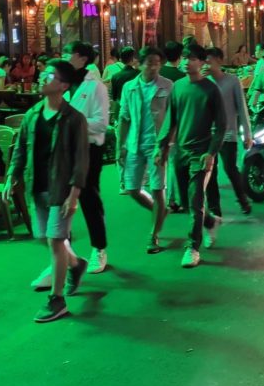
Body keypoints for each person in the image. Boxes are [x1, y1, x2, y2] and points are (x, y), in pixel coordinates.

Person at [2, 60, 89, 323]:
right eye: (43, 73)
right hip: (36, 185)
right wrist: (11, 177)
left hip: (61, 189)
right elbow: (20, 149)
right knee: (46, 238)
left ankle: (57, 299)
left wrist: (74, 196)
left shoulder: (74, 119)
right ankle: (75, 264)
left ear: (63, 85)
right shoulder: (32, 115)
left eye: (49, 75)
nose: (42, 78)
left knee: (54, 239)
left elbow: (80, 160)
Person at [157, 43, 226, 269]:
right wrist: (162, 147)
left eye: (193, 58)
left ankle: (192, 247)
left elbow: (221, 125)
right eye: (185, 58)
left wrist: (211, 152)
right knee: (187, 202)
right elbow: (171, 119)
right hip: (181, 152)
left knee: (196, 200)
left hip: (201, 153)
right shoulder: (177, 87)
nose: (187, 62)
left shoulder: (211, 89)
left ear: (202, 62)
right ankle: (210, 221)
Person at [118, 45, 174, 253]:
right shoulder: (129, 87)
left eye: (157, 63)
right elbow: (124, 118)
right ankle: (159, 212)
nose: (153, 67)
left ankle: (154, 235)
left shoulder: (168, 86)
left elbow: (173, 118)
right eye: (149, 63)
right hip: (134, 144)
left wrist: (167, 144)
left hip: (157, 145)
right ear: (138, 64)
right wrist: (119, 147)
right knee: (132, 189)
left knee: (158, 189)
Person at [62, 40, 111, 273]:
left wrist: (72, 122)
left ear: (82, 58)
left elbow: (102, 123)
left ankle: (99, 248)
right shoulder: (63, 83)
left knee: (88, 199)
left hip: (89, 149)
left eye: (67, 52)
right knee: (61, 202)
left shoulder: (96, 87)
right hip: (65, 150)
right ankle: (65, 254)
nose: (63, 55)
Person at [205, 46, 255, 217]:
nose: (206, 65)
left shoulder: (232, 80)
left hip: (228, 133)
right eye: (204, 61)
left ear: (219, 60)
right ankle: (214, 209)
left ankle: (242, 199)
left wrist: (247, 134)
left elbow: (242, 108)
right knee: (210, 173)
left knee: (230, 168)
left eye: (209, 61)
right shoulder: (203, 82)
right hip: (208, 135)